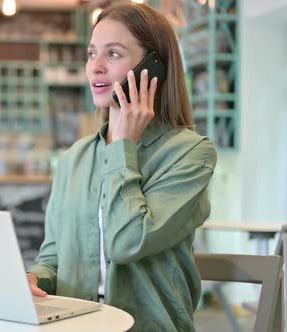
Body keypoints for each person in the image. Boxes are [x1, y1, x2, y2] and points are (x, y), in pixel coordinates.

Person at [26, 2, 217, 331]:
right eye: (91, 53)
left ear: (152, 67)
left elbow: (126, 242)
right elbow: (53, 259)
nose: (95, 67)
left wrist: (123, 147)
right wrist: (32, 278)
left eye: (113, 54)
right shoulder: (76, 157)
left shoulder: (191, 154)